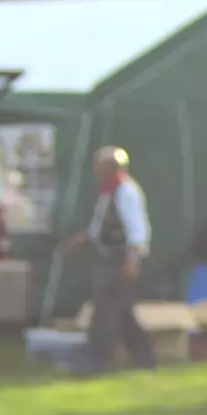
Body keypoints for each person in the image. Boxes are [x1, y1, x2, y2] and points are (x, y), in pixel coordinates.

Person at [58, 146, 155, 373]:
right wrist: (81, 239)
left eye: (99, 166)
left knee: (104, 309)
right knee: (122, 312)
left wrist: (132, 260)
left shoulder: (126, 192)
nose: (95, 170)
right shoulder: (108, 192)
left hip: (119, 258)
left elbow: (137, 230)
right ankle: (144, 357)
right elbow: (100, 225)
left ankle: (96, 359)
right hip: (108, 256)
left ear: (112, 167)